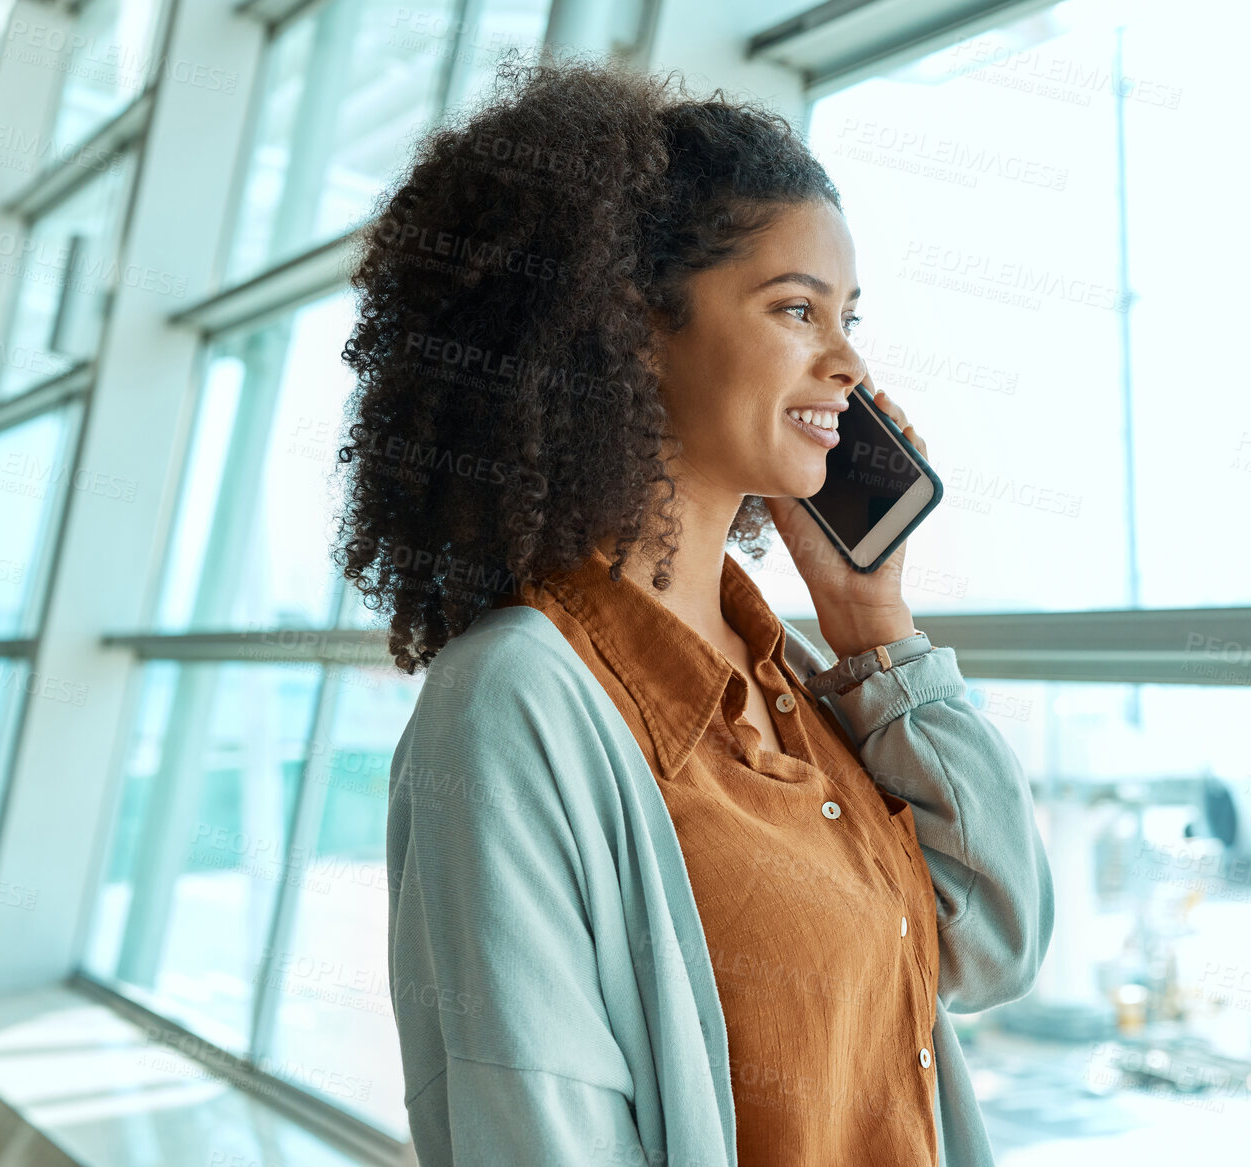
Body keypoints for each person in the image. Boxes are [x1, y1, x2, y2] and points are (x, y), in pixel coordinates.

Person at [334, 49, 1054, 1166]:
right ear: (625, 329)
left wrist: (871, 623)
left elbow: (993, 943)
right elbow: (536, 1133)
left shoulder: (798, 678)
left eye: (848, 314)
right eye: (796, 310)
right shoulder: (515, 704)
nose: (848, 362)